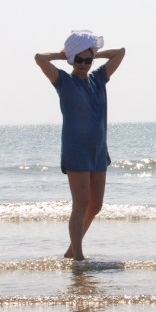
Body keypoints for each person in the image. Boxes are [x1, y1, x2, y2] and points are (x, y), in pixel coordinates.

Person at [35, 31, 126, 261]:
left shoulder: (98, 78)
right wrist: (63, 54)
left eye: (88, 60)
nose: (84, 64)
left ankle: (71, 251)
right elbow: (39, 58)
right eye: (79, 60)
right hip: (76, 151)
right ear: (73, 60)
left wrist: (95, 52)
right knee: (81, 204)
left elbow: (120, 53)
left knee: (95, 206)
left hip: (98, 150)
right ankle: (78, 258)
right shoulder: (63, 82)